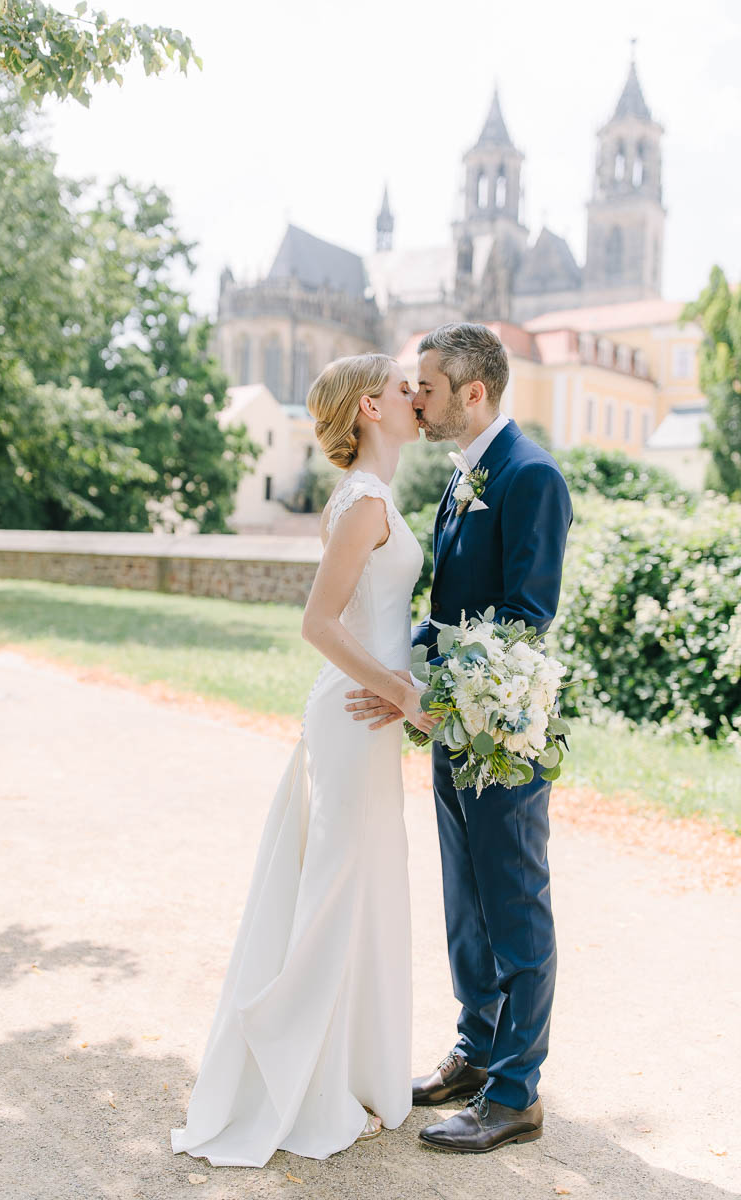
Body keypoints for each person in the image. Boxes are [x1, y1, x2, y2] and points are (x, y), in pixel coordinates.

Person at [171, 353, 434, 1167]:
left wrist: (406, 681)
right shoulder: (361, 503)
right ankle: (287, 1057)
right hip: (356, 714)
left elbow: (379, 614)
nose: (415, 396)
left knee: (365, 883)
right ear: (368, 407)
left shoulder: (382, 497)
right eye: (402, 388)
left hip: (372, 711)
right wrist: (402, 692)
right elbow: (318, 623)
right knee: (334, 886)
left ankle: (352, 1068)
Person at [345, 323, 573, 1154]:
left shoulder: (531, 477)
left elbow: (526, 617)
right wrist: (393, 674)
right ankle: (477, 1053)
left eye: (429, 387)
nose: (417, 399)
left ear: (473, 393)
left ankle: (517, 1093)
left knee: (514, 903)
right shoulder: (462, 478)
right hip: (451, 725)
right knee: (465, 904)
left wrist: (427, 690)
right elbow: (446, 613)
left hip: (501, 731)